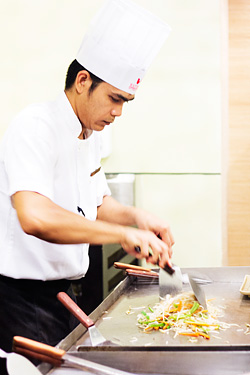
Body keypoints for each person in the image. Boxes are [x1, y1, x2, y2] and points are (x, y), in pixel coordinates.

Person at [0, 0, 173, 356]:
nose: (118, 111)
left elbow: (96, 204)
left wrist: (138, 218)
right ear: (83, 81)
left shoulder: (89, 134)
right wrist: (123, 234)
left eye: (126, 102)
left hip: (65, 296)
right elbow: (35, 216)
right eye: (114, 98)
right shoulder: (36, 127)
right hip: (22, 299)